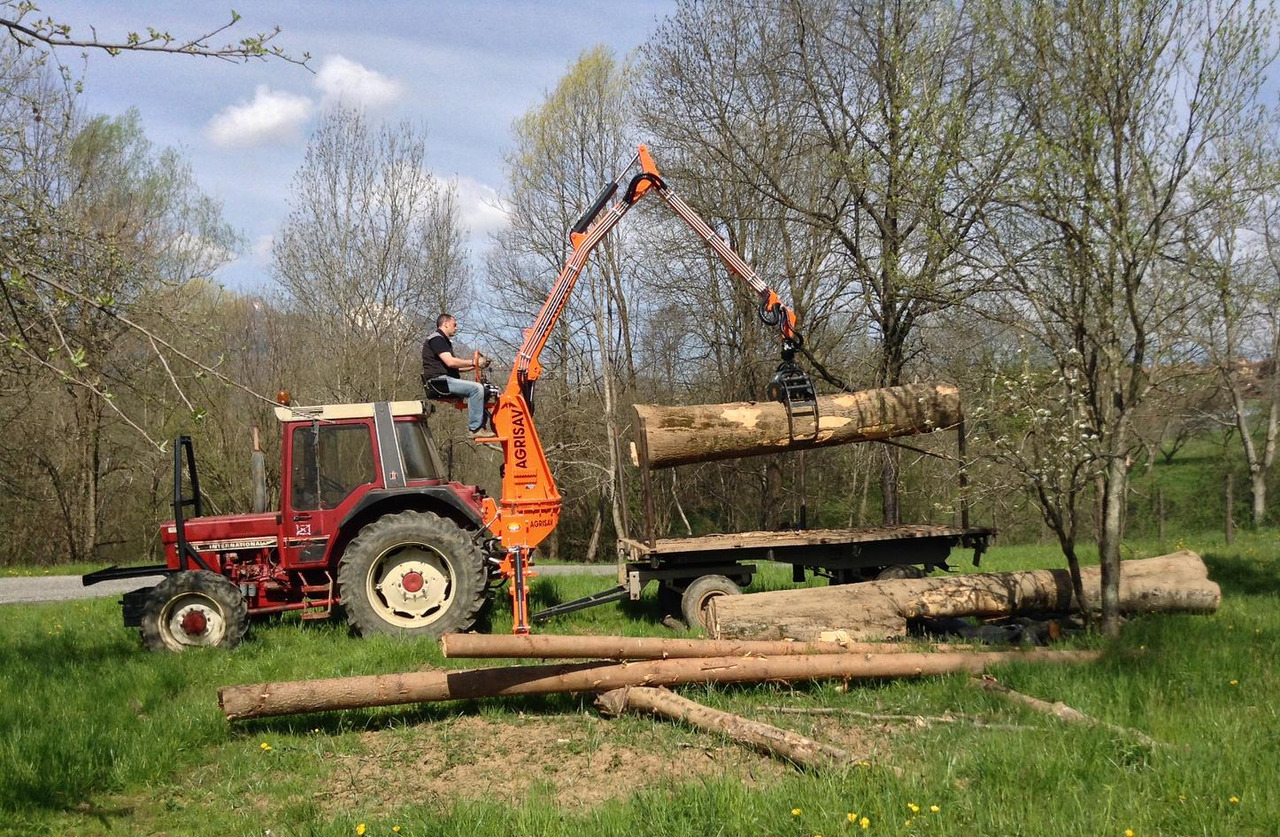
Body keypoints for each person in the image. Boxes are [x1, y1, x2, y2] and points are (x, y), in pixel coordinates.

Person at [422, 314, 491, 436]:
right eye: (455, 324)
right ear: (446, 324)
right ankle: (475, 429)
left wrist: (476, 365)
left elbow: (454, 368)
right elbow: (451, 362)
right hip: (439, 382)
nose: (456, 328)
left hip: (444, 379)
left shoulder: (444, 341)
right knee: (476, 389)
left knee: (484, 390)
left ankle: (482, 425)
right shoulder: (437, 339)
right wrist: (474, 361)